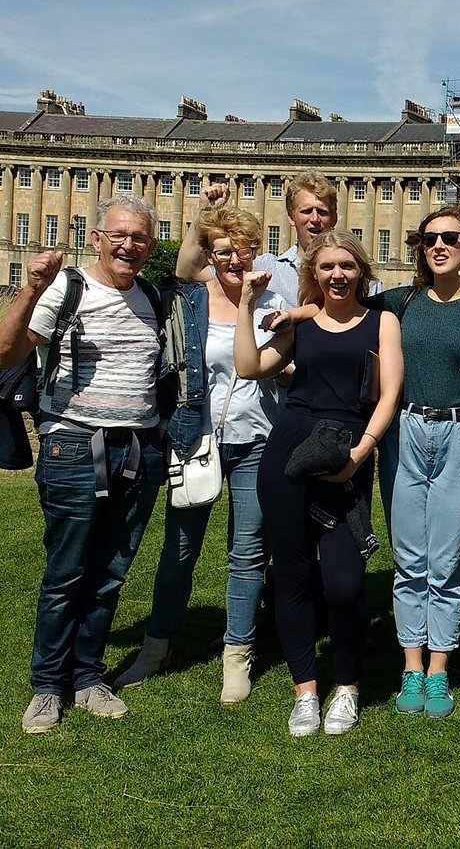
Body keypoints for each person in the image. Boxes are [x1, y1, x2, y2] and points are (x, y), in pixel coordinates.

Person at [0, 196, 167, 734]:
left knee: (111, 572)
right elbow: (7, 353)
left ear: (150, 244)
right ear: (96, 238)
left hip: (138, 451)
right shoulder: (66, 289)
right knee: (67, 572)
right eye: (118, 235)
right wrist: (29, 286)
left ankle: (88, 676)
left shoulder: (152, 298)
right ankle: (48, 686)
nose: (129, 246)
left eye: (140, 237)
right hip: (73, 446)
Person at [115, 207, 286, 703]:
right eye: (223, 250)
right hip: (196, 437)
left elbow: (269, 365)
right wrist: (205, 215)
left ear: (257, 249)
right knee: (180, 549)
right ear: (211, 255)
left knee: (248, 551)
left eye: (243, 248)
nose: (235, 258)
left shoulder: (274, 301)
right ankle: (158, 645)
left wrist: (266, 310)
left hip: (258, 438)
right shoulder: (189, 300)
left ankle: (238, 652)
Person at [235, 230, 401, 736]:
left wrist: (360, 453)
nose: (337, 275)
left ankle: (347, 687)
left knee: (346, 582)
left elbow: (390, 391)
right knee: (292, 573)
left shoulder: (381, 321)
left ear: (362, 272)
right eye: (326, 267)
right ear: (314, 274)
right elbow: (249, 365)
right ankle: (305, 688)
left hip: (349, 447)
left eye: (347, 266)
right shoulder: (297, 325)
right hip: (288, 450)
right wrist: (246, 305)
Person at [373, 206, 460, 719]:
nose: (438, 245)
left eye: (450, 237)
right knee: (409, 558)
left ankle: (438, 671)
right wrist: (297, 314)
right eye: (429, 238)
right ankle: (410, 666)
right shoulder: (399, 301)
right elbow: (335, 304)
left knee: (447, 561)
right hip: (408, 430)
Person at [176, 171, 341, 307]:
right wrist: (206, 212)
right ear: (292, 217)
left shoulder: (352, 272)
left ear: (334, 218)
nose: (315, 219)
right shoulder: (266, 267)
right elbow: (187, 271)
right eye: (306, 211)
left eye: (322, 211)